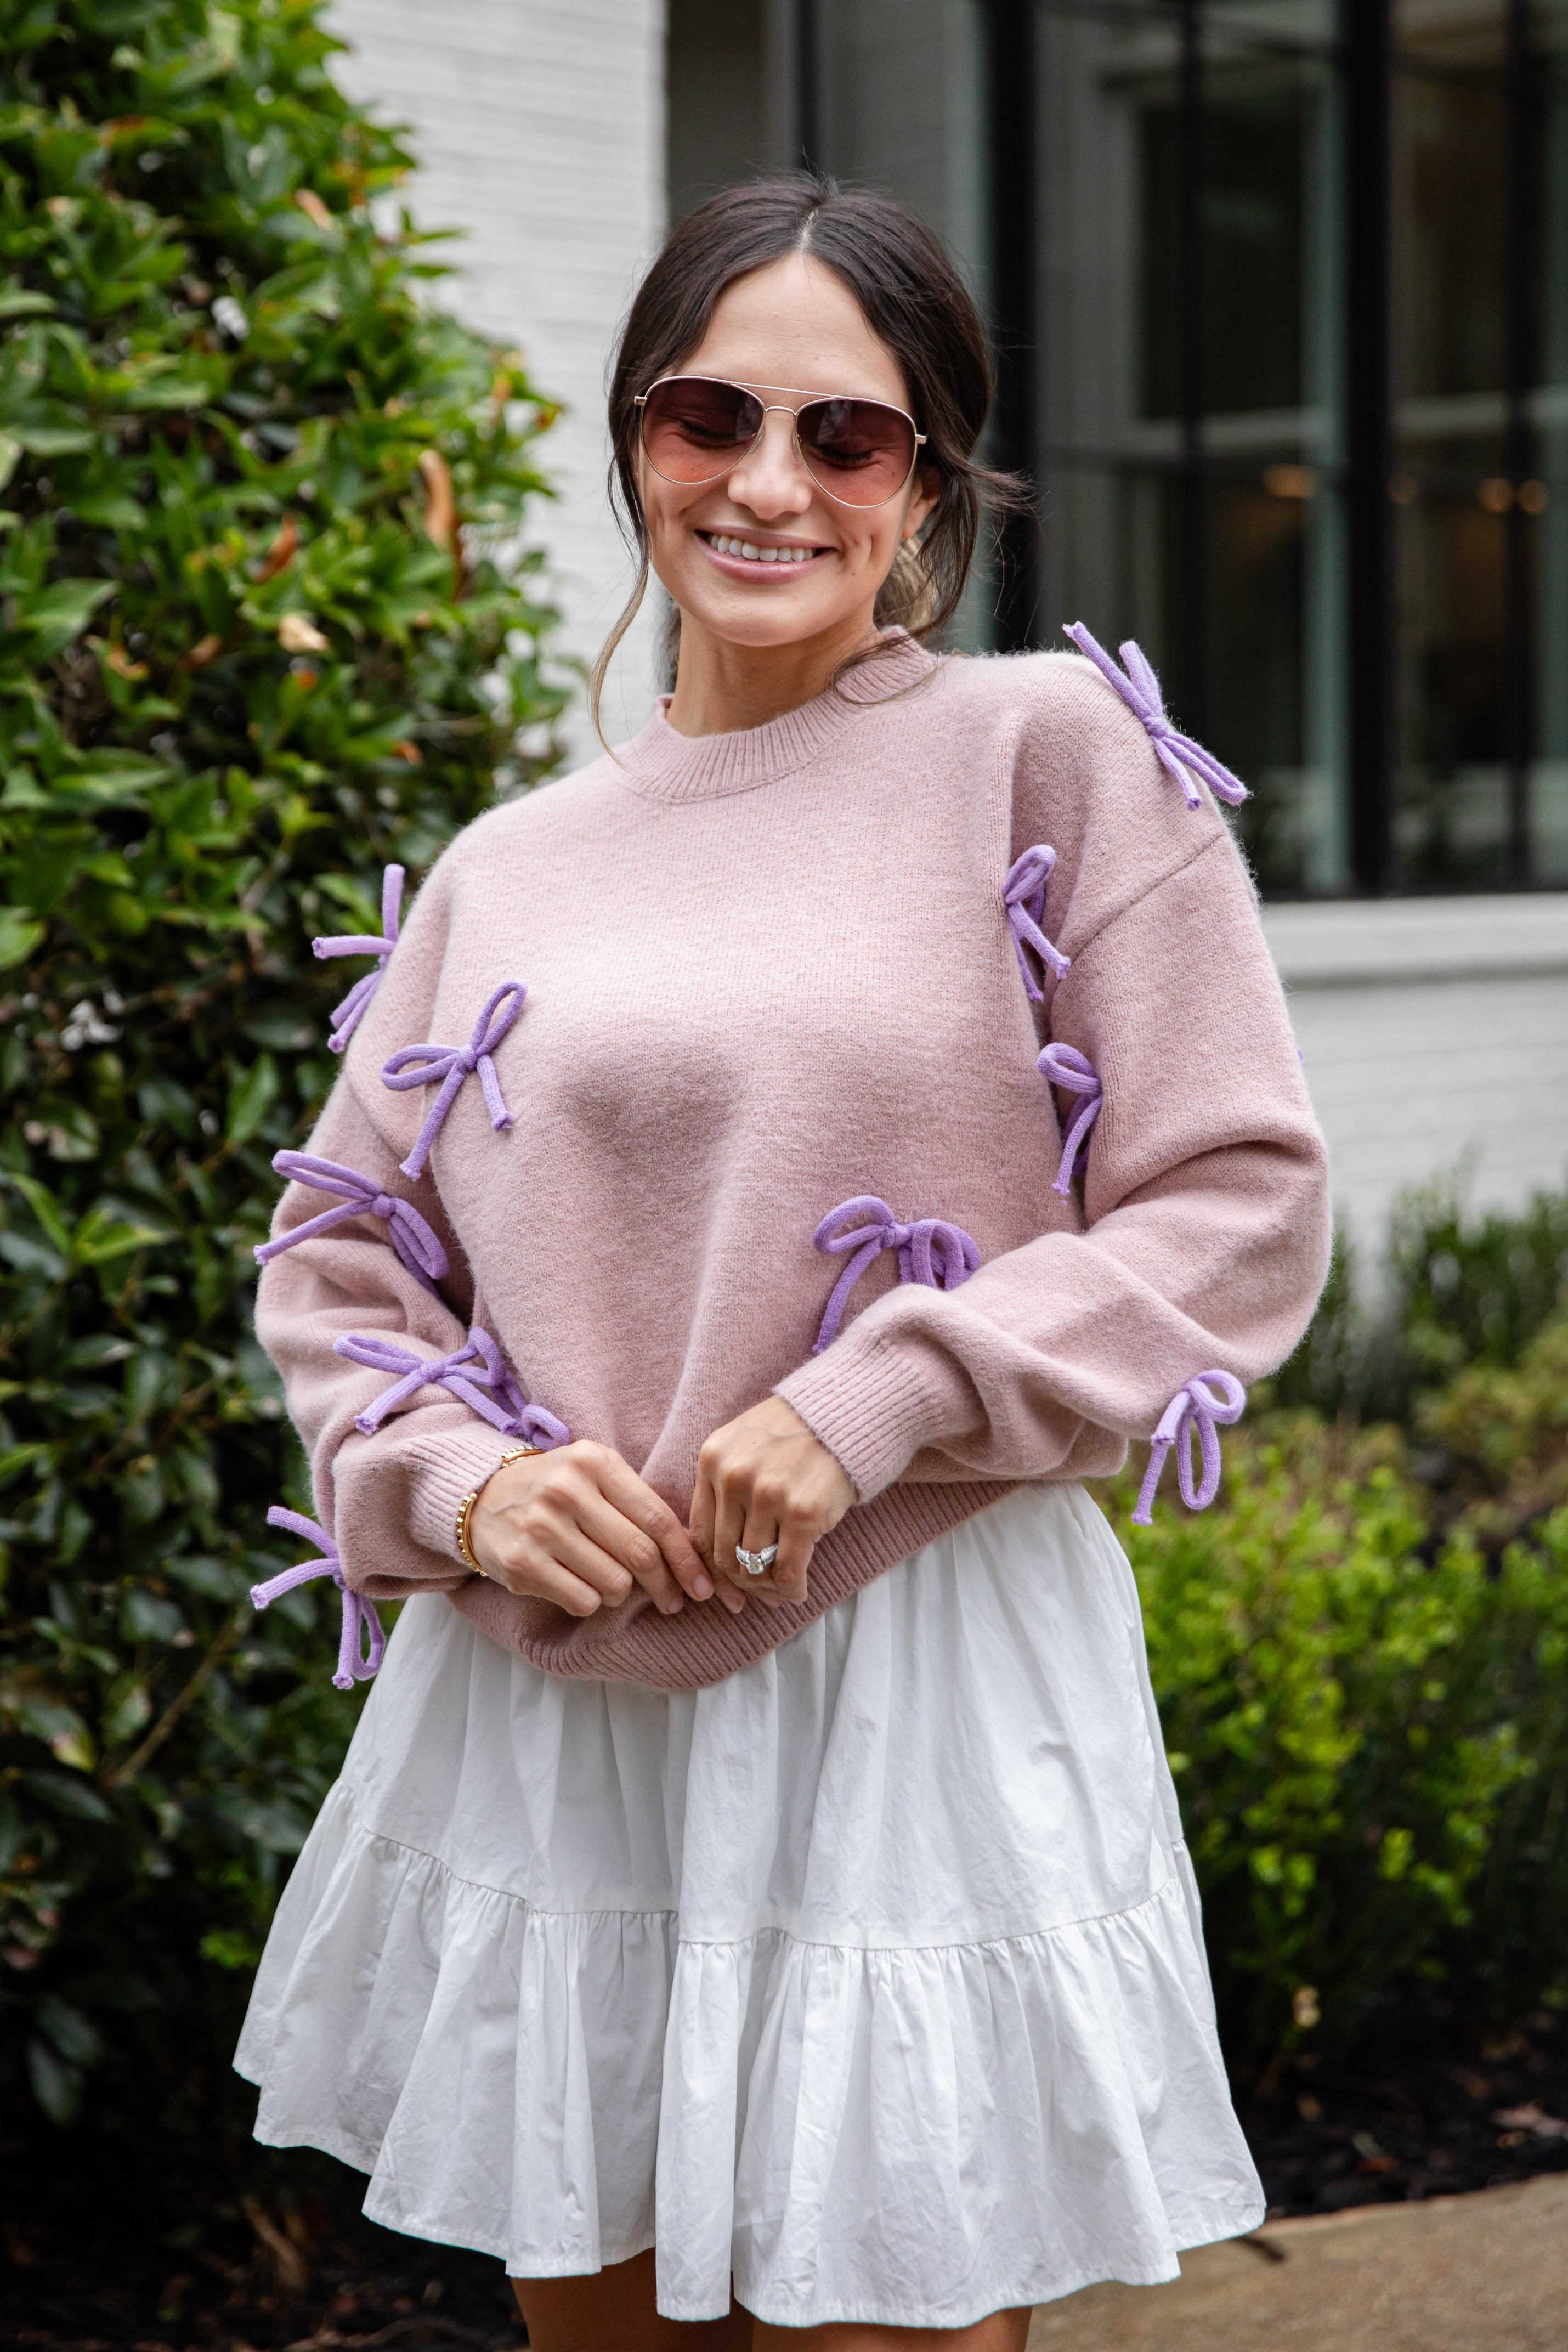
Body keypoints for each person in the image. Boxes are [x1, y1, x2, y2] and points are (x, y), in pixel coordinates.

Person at [236, 176, 1330, 2350]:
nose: (765, 483)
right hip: (562, 1705)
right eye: (707, 413)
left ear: (929, 484)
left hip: (911, 1672)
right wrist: (462, 1484)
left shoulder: (1052, 753)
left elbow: (1236, 1206)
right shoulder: (503, 869)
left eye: (846, 435)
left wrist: (879, 1398)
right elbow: (341, 1273)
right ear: (636, 433)